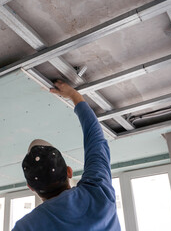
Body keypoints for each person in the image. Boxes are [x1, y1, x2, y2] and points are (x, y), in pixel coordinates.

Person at [13, 80, 121, 230]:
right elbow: (95, 139)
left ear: (31, 187)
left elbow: (96, 141)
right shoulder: (97, 192)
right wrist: (74, 95)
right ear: (69, 171)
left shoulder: (27, 226)